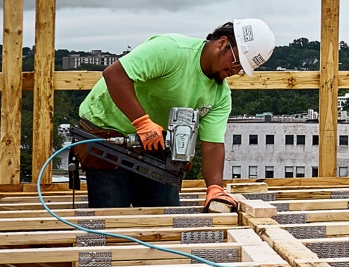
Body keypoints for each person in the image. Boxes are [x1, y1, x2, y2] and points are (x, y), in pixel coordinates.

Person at [71, 18, 275, 210]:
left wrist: (215, 187)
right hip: (108, 138)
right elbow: (114, 75)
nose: (235, 70)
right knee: (112, 221)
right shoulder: (171, 50)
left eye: (241, 69)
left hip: (154, 145)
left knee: (164, 218)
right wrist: (142, 123)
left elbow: (212, 144)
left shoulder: (220, 95)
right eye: (236, 62)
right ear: (222, 43)